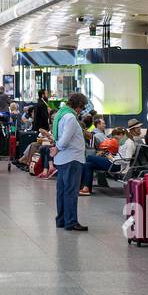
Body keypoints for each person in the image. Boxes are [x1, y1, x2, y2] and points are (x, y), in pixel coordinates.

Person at [52, 92, 89, 232]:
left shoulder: (60, 114)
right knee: (71, 192)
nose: (81, 110)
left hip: (62, 160)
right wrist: (57, 148)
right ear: (78, 106)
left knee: (61, 191)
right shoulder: (71, 118)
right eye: (82, 107)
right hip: (72, 159)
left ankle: (61, 220)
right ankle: (71, 221)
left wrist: (57, 148)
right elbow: (66, 139)